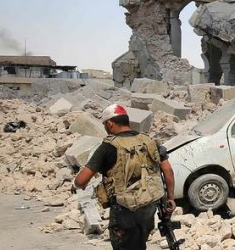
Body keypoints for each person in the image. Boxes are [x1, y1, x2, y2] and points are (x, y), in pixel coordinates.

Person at [74, 104, 176, 250]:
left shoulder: (108, 146)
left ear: (109, 124)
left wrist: (76, 183)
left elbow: (81, 181)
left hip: (124, 210)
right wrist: (170, 198)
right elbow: (167, 170)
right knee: (139, 243)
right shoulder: (148, 141)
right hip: (148, 205)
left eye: (105, 126)